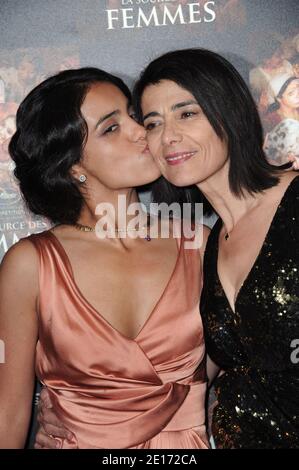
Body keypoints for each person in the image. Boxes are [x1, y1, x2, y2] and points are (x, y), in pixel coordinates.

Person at [0, 67, 210, 449]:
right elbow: (9, 411)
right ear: (73, 167)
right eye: (111, 128)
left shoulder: (198, 244)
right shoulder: (31, 264)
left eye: (133, 115)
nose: (139, 131)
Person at [130, 48, 299, 448]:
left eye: (187, 113)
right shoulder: (208, 246)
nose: (168, 136)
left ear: (229, 113)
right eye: (153, 123)